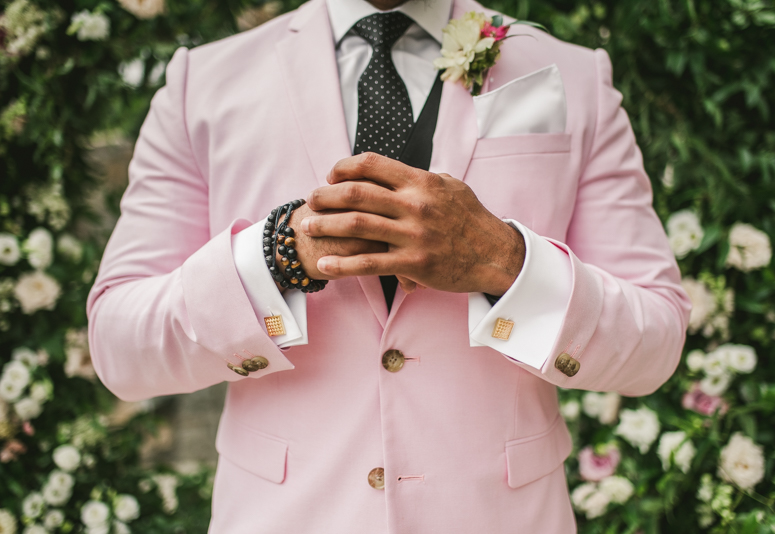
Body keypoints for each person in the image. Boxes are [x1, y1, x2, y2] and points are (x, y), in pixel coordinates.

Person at [87, 0, 691, 530]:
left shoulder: (575, 76)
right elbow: (121, 344)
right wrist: (277, 257)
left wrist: (504, 260)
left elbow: (655, 340)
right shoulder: (206, 82)